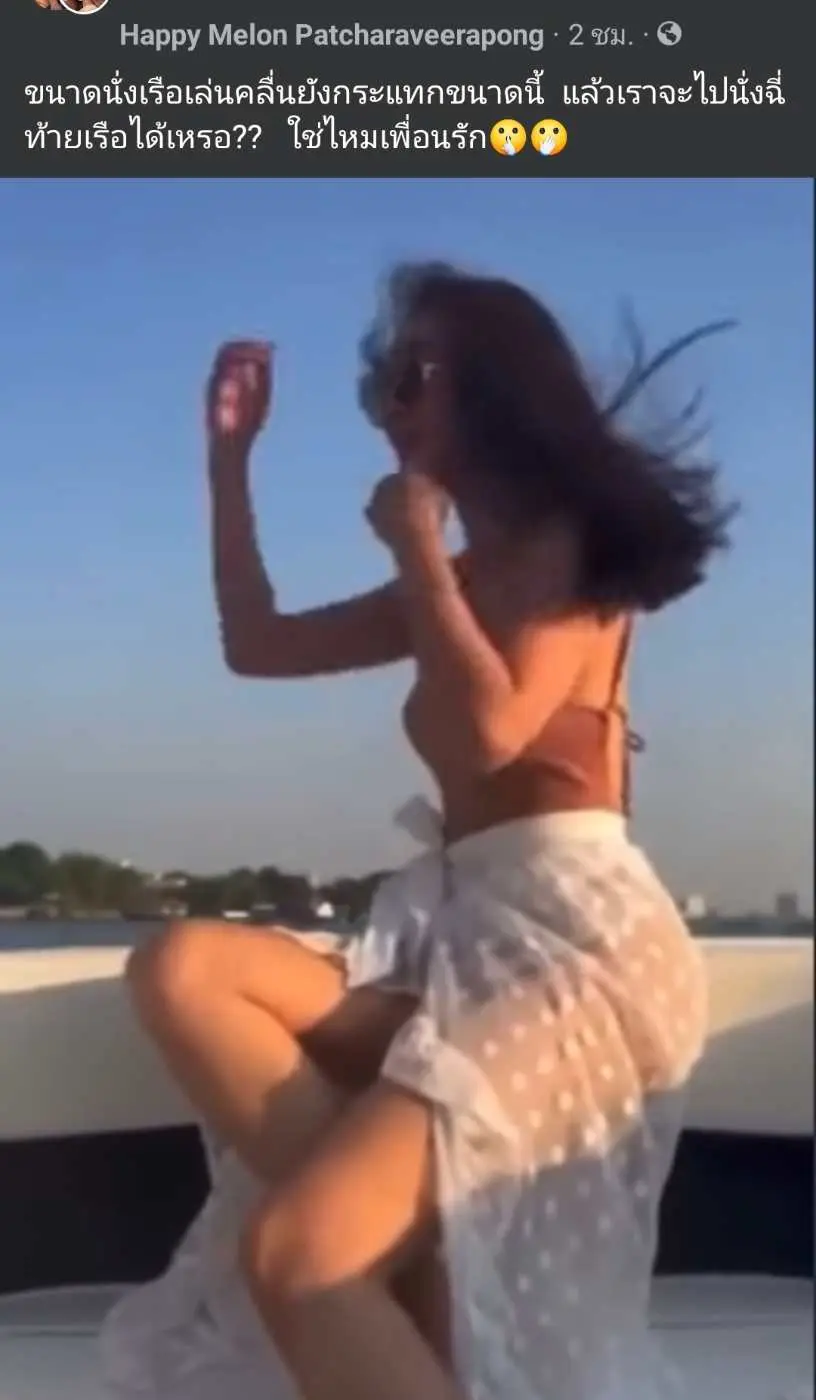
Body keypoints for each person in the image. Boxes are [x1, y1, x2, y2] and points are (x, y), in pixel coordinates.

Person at [114, 264, 736, 1400]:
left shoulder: (571, 544)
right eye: (381, 384)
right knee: (184, 968)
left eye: (412, 376)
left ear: (498, 385)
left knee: (297, 1261)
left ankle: (369, 1268)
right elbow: (257, 644)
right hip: (464, 938)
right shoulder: (457, 574)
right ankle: (408, 1271)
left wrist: (416, 556)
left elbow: (494, 731)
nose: (388, 406)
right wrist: (230, 463)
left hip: (578, 950)